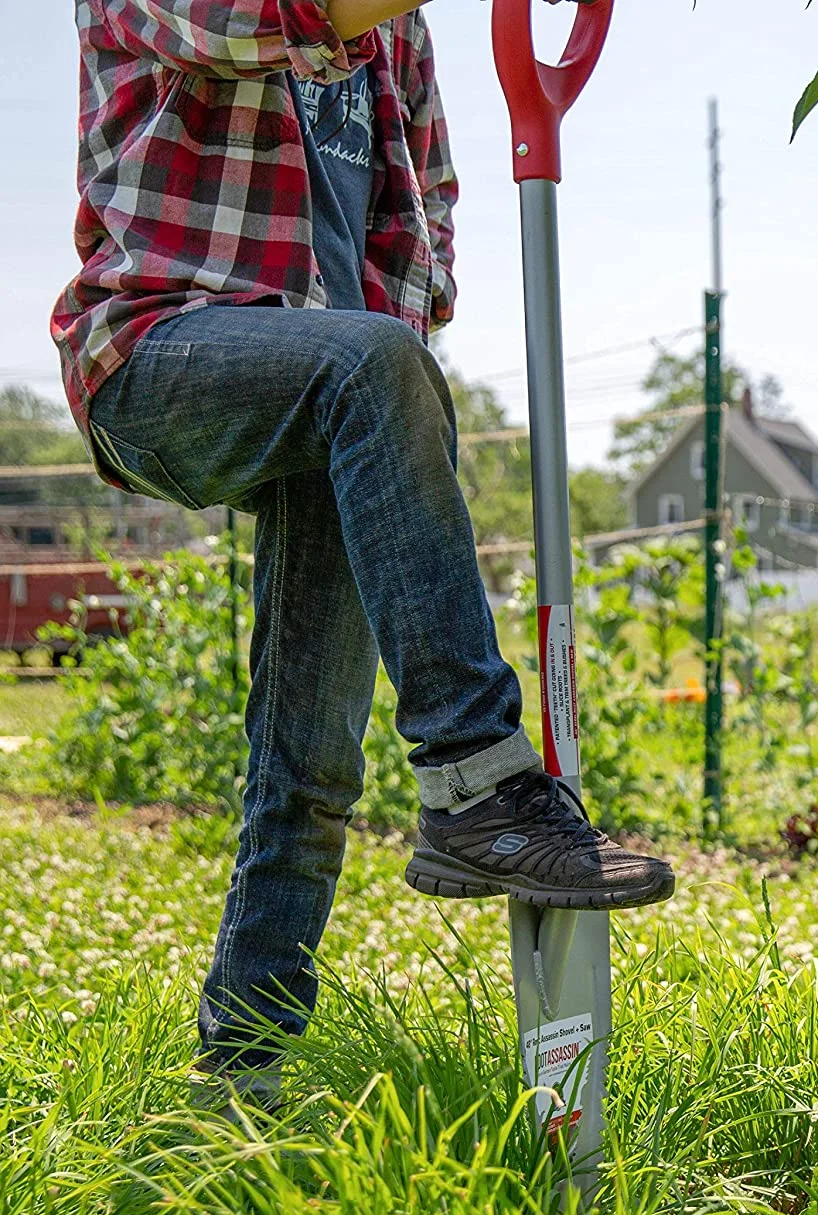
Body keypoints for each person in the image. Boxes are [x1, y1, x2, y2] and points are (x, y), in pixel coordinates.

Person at [52, 0, 674, 1104]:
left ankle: (239, 1074)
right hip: (156, 352)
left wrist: (400, 406)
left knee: (311, 761)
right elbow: (269, 17)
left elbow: (421, 215)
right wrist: (388, 369)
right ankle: (476, 779)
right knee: (376, 365)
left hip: (335, 392)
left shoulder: (401, 35)